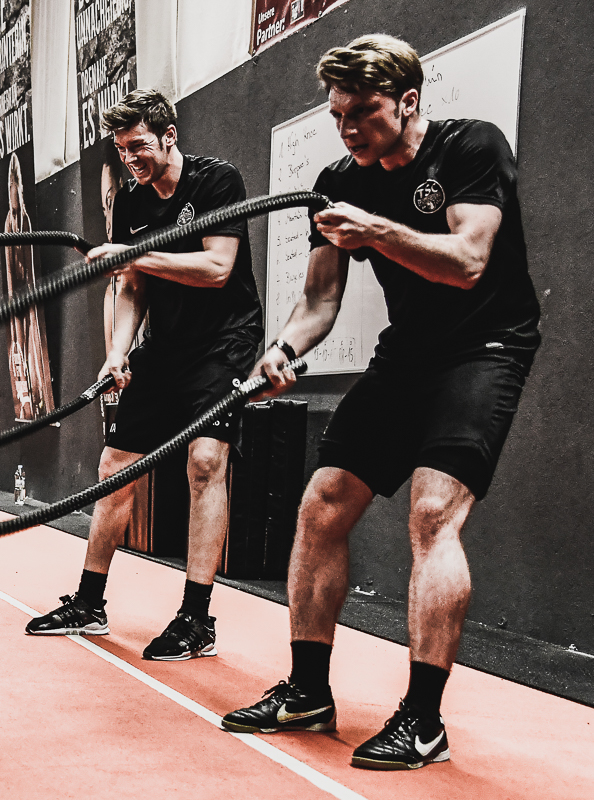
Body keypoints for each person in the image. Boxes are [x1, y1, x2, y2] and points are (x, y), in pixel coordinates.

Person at [220, 35, 540, 772]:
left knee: (432, 512)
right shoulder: (340, 178)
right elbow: (319, 300)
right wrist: (282, 351)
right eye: (338, 115)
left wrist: (378, 230)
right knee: (322, 501)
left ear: (408, 102)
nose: (349, 129)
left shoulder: (469, 149)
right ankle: (305, 691)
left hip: (486, 347)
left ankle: (423, 721)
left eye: (363, 112)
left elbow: (467, 263)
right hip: (409, 353)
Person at [24, 89, 264, 663]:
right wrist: (116, 352)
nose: (130, 158)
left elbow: (215, 268)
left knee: (206, 463)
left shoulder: (217, 182)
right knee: (114, 466)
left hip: (224, 343)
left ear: (168, 135)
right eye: (121, 150)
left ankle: (196, 619)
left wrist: (130, 255)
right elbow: (132, 286)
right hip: (166, 345)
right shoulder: (131, 203)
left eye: (138, 147)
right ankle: (88, 602)